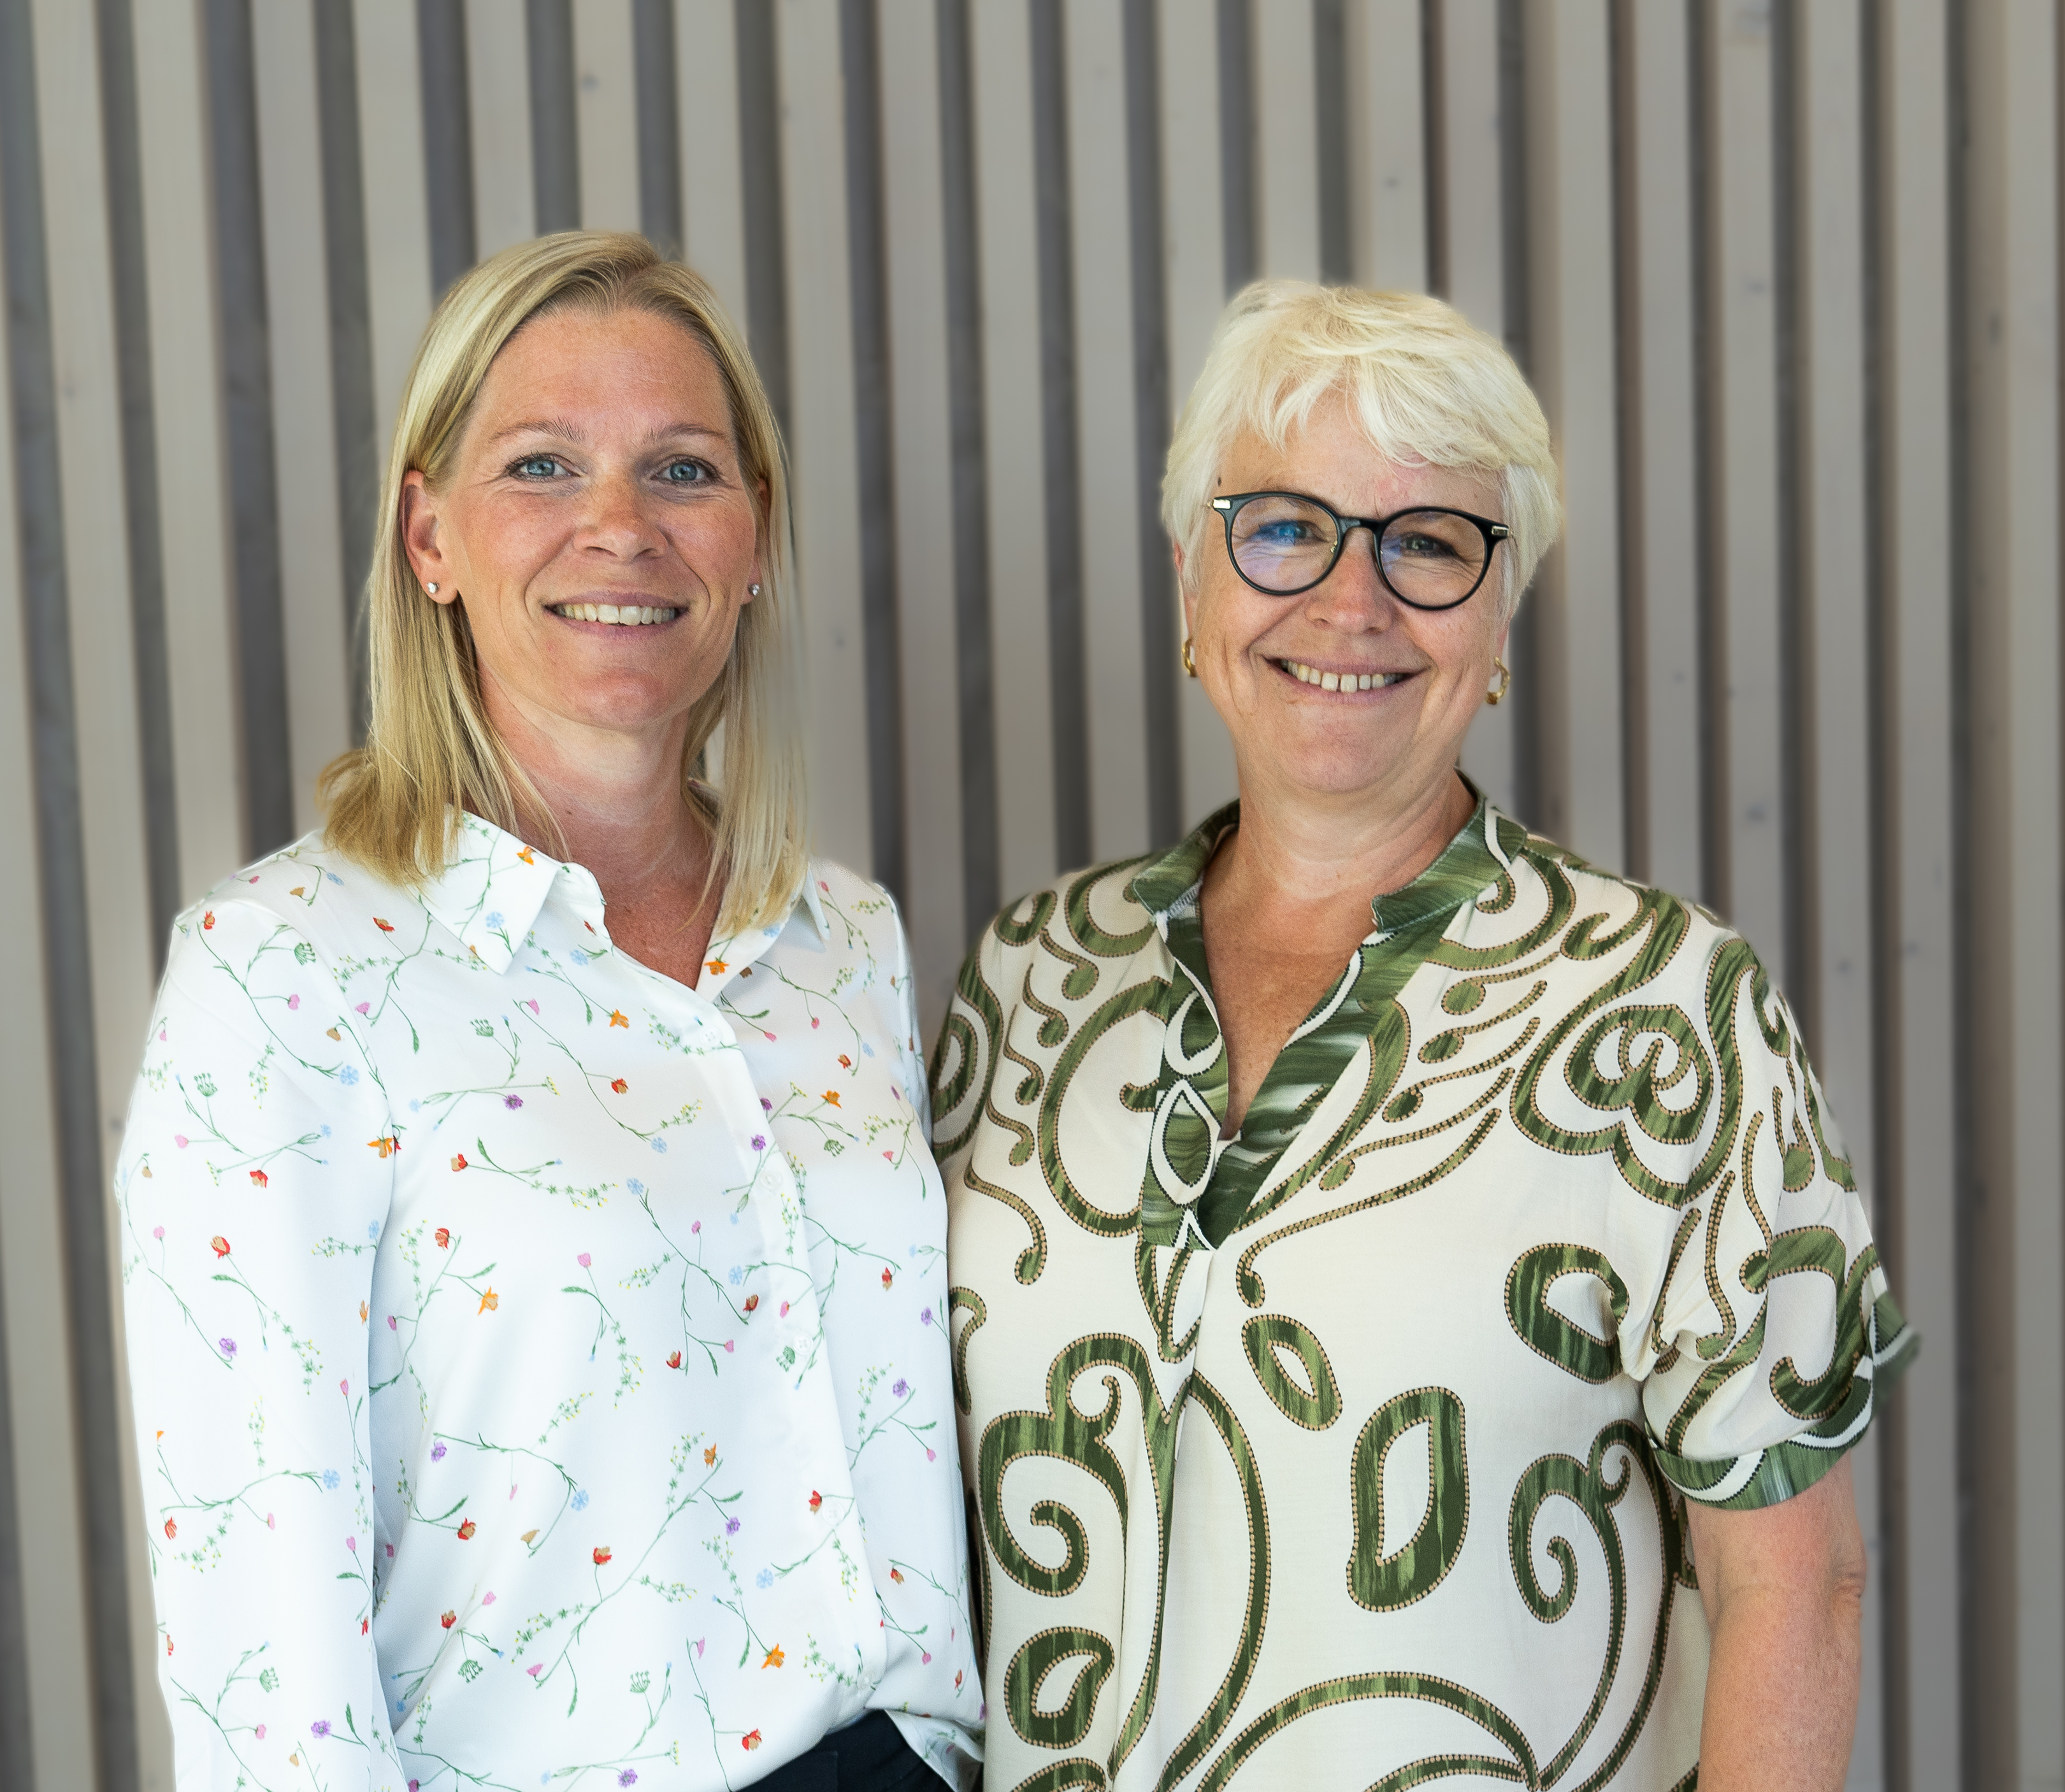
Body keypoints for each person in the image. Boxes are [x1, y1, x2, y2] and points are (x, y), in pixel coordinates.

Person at [935, 282, 1909, 1791]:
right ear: (1192, 583)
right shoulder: (1029, 981)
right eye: (1281, 528)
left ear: (1498, 620)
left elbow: (1793, 1580)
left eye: (1430, 544)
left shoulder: (1661, 1007)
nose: (1351, 602)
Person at [118, 233, 983, 1792]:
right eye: (541, 466)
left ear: (755, 537)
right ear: (430, 538)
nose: (620, 527)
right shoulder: (284, 973)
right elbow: (262, 1644)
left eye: (682, 470)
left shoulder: (841, 941)